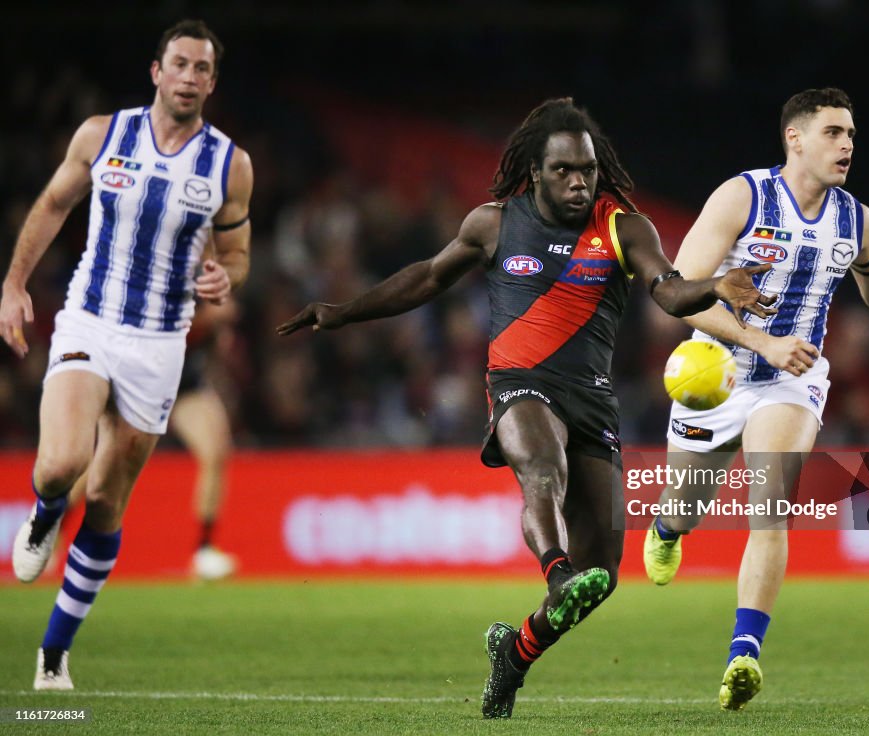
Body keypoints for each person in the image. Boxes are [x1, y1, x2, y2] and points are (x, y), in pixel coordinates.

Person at [277, 97, 778, 719]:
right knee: (542, 468)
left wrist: (715, 286)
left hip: (591, 398)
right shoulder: (493, 223)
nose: (578, 182)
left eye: (587, 171)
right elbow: (430, 276)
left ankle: (514, 653)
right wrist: (344, 311)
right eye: (564, 170)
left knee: (605, 578)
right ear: (535, 172)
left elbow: (669, 291)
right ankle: (555, 569)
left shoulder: (624, 226)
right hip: (518, 381)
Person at [641, 88, 869, 710]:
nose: (847, 145)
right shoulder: (743, 196)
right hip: (714, 369)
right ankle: (668, 526)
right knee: (687, 503)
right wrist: (759, 340)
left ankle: (744, 652)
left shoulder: (855, 219)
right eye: (834, 133)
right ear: (795, 138)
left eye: (851, 135)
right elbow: (679, 293)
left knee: (771, 500)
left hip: (793, 378)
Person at [1, 19, 252, 690]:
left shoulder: (230, 164)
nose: (190, 77)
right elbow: (54, 203)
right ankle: (46, 513)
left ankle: (53, 656)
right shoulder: (102, 134)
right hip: (91, 318)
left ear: (211, 83)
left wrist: (227, 278)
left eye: (202, 68)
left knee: (109, 501)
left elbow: (237, 254)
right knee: (61, 463)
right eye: (180, 64)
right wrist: (14, 282)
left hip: (161, 342)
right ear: (156, 71)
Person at [63, 298, 240, 581]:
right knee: (107, 462)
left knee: (215, 450)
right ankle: (52, 528)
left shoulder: (204, 271)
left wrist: (218, 329)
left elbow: (222, 316)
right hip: (140, 381)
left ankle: (204, 550)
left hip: (184, 384)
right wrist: (209, 319)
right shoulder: (160, 271)